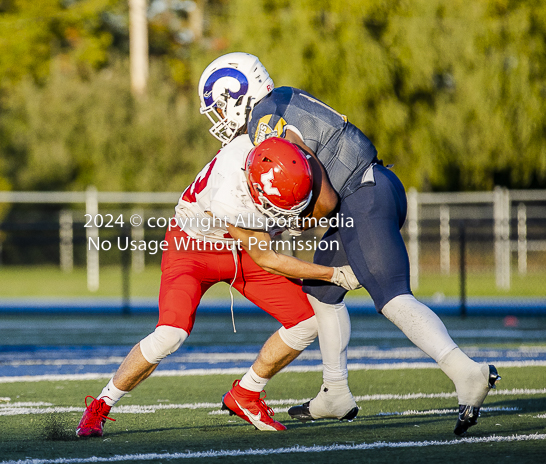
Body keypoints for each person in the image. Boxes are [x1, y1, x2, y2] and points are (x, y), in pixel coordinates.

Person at [197, 52, 500, 436]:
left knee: (391, 296)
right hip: (363, 194)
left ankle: (466, 372)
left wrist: (285, 224)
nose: (220, 117)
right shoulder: (279, 102)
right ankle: (335, 392)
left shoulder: (267, 118)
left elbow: (320, 197)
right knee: (321, 292)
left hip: (363, 194)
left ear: (238, 92)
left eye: (219, 106)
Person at [75, 135, 361, 437]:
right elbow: (269, 258)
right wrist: (335, 274)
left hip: (241, 250)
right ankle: (101, 406)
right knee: (170, 335)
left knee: (309, 321)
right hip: (193, 248)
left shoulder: (277, 154)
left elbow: (321, 196)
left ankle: (246, 393)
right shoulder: (230, 195)